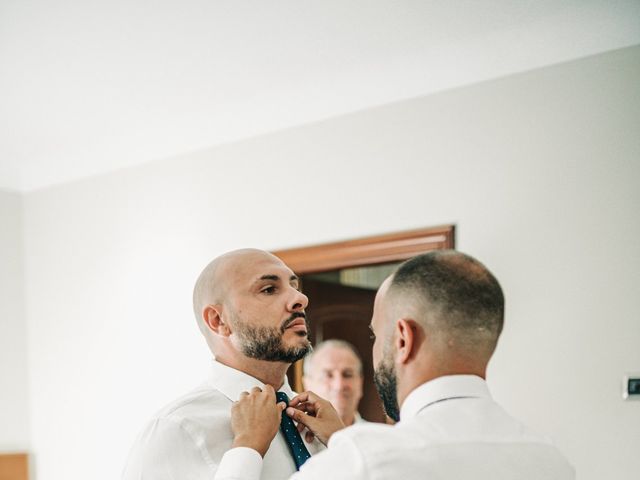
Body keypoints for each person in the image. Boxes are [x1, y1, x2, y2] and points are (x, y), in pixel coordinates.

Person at [216, 250, 575, 480]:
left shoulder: (363, 463)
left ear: (403, 339)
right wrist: (345, 437)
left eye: (376, 337)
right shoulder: (551, 460)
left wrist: (247, 445)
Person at [122, 249, 324, 480]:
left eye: (294, 287)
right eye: (269, 289)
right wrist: (247, 450)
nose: (301, 299)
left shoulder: (322, 428)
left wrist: (341, 443)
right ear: (218, 321)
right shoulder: (175, 429)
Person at [302, 340, 365, 426]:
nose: (339, 386)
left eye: (347, 375)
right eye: (328, 375)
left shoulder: (381, 438)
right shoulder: (291, 437)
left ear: (360, 383)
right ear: (307, 384)